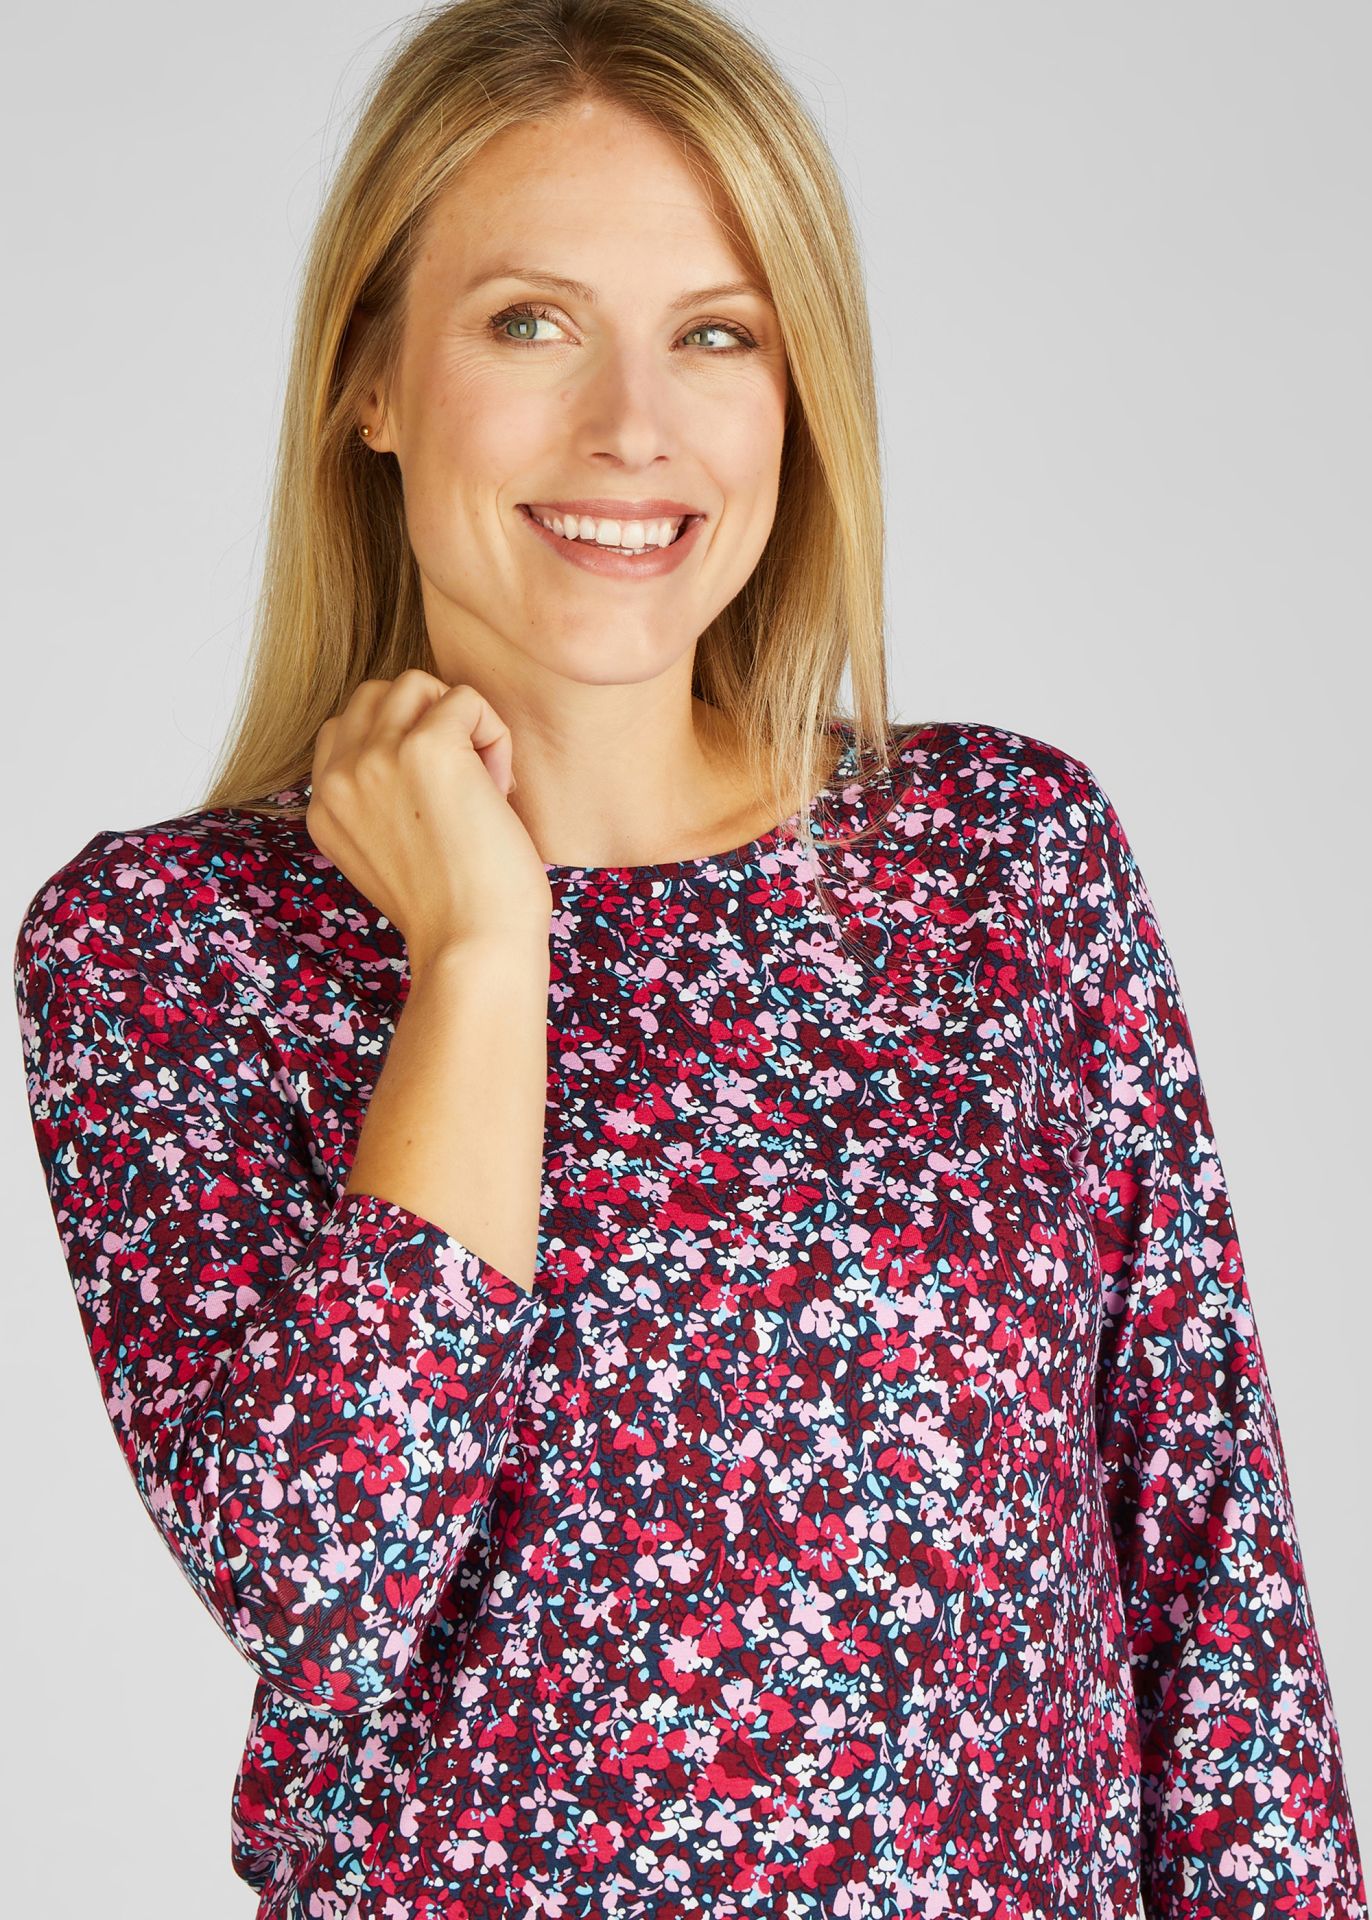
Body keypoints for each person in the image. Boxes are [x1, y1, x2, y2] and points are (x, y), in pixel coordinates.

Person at [11, 2, 1366, 1916]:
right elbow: (325, 1584)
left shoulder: (1003, 857)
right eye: (529, 323)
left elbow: (1213, 1592)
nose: (631, 426)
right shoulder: (171, 949)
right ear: (369, 380)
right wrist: (482, 951)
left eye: (716, 334)